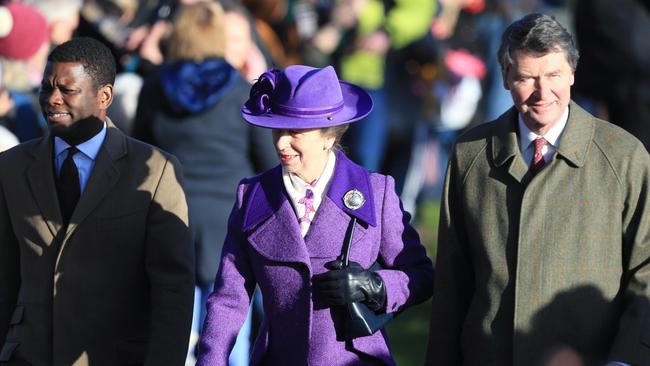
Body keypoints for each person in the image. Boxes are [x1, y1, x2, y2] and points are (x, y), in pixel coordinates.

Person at [425, 13, 650, 366]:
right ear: (505, 79)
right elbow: (453, 281)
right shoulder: (470, 155)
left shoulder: (624, 156)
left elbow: (646, 271)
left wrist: (625, 359)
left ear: (574, 73)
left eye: (554, 75)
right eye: (527, 78)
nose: (543, 93)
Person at [196, 64, 435, 365]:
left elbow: (421, 275)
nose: (281, 143)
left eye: (294, 131)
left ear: (329, 135)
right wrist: (210, 361)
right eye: (277, 129)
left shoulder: (376, 191)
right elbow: (229, 299)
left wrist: (376, 286)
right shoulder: (252, 196)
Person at [0, 37, 194, 365]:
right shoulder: (11, 167)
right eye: (46, 88)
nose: (52, 99)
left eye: (67, 90)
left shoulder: (155, 171)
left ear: (104, 96)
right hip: (30, 354)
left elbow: (172, 289)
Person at [131, 1, 276, 364]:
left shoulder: (154, 88)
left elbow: (141, 153)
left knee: (175, 330)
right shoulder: (241, 91)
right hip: (229, 220)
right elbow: (267, 161)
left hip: (171, 215)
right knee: (229, 333)